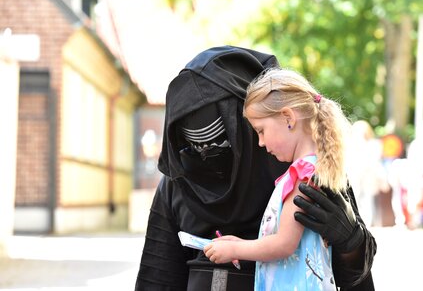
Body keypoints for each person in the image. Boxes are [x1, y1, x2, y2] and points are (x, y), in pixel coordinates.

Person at [134, 46, 376, 290]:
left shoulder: (307, 170)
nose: (208, 156)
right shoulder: (181, 179)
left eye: (219, 142)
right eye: (196, 148)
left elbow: (353, 275)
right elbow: (157, 277)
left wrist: (350, 240)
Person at [204, 67, 353, 290]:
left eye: (261, 131)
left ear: (288, 118)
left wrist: (236, 250)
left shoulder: (303, 174)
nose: (260, 143)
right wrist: (241, 244)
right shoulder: (309, 170)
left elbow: (285, 244)